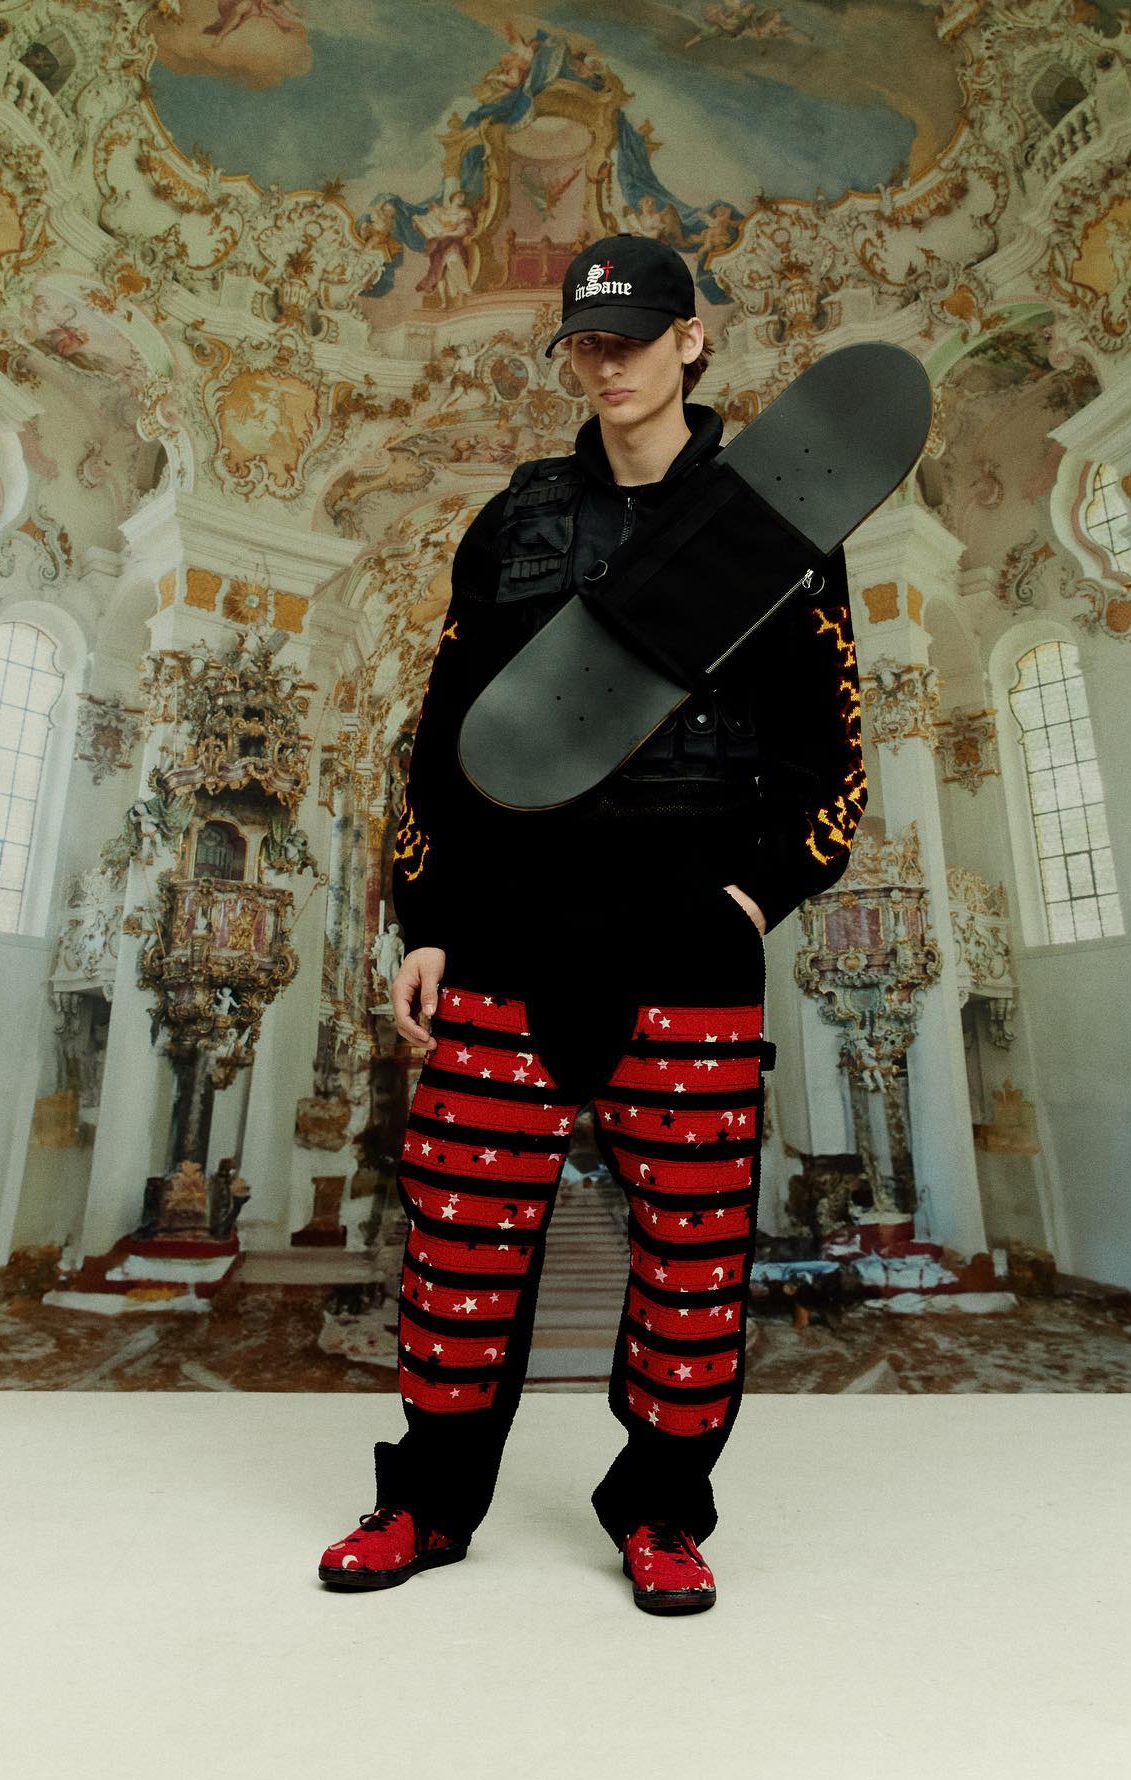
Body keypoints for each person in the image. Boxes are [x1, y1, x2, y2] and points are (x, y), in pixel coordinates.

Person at [319, 234, 866, 1613]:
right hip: (508, 927)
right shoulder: (514, 524)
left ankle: (663, 1512)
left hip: (688, 935)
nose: (606, 360)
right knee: (456, 1241)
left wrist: (749, 901)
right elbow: (440, 741)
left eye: (633, 335)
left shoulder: (781, 525)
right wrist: (426, 918)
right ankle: (427, 1504)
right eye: (586, 340)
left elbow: (833, 759)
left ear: (691, 340)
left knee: (695, 1259)